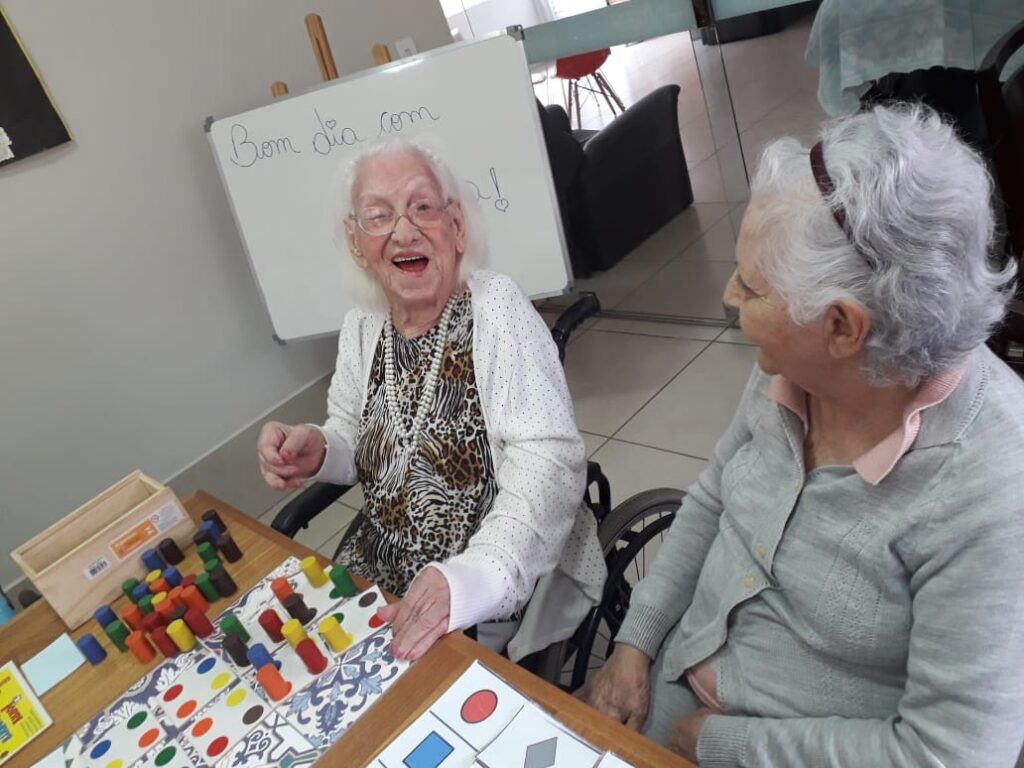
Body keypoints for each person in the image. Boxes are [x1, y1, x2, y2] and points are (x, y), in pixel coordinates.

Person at [582, 104, 1024, 767]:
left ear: (842, 327)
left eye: (751, 286)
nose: (729, 296)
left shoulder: (991, 489)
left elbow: (948, 754)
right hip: (682, 669)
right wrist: (633, 645)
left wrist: (722, 744)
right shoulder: (794, 366)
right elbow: (713, 498)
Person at [257, 139, 606, 663]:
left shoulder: (497, 310)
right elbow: (356, 434)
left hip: (481, 589)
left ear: (457, 226)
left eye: (422, 207)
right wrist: (321, 448)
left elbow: (549, 461)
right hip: (379, 565)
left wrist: (476, 577)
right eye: (379, 216)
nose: (404, 231)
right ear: (357, 242)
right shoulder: (362, 326)